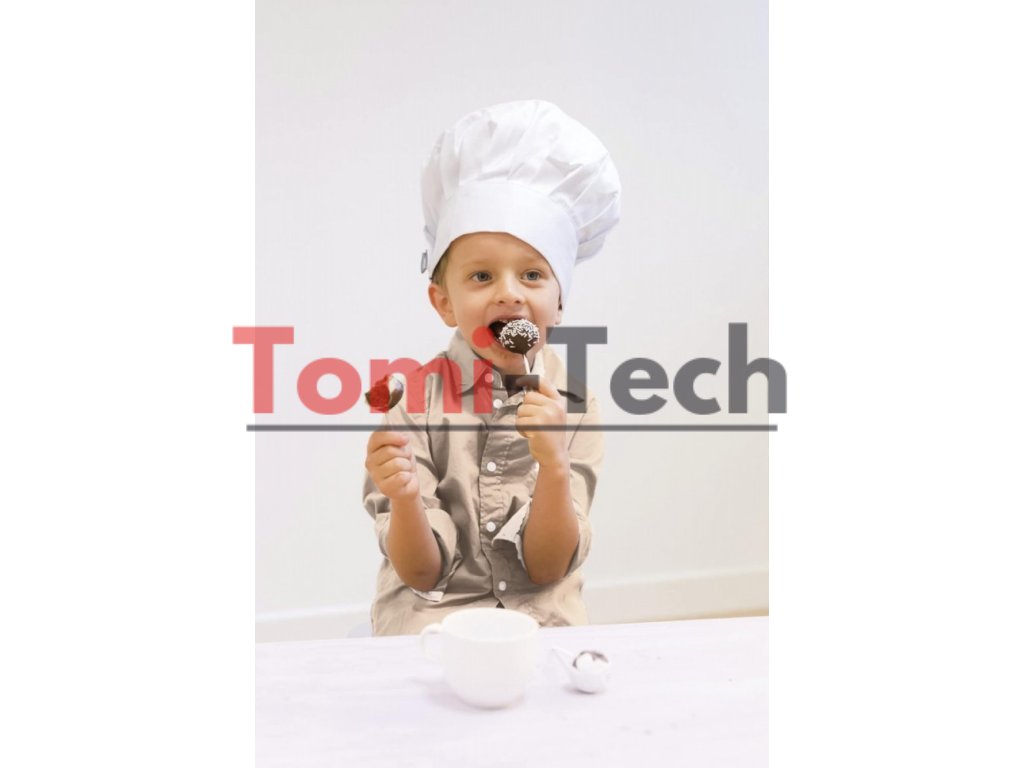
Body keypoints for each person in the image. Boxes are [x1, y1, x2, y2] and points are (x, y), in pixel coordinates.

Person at [363, 100, 621, 635]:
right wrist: (405, 499)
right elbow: (420, 572)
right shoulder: (412, 403)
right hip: (431, 621)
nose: (509, 293)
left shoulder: (576, 405)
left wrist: (553, 465)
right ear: (444, 302)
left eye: (532, 275)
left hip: (542, 622)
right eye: (481, 277)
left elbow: (547, 568)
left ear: (559, 303)